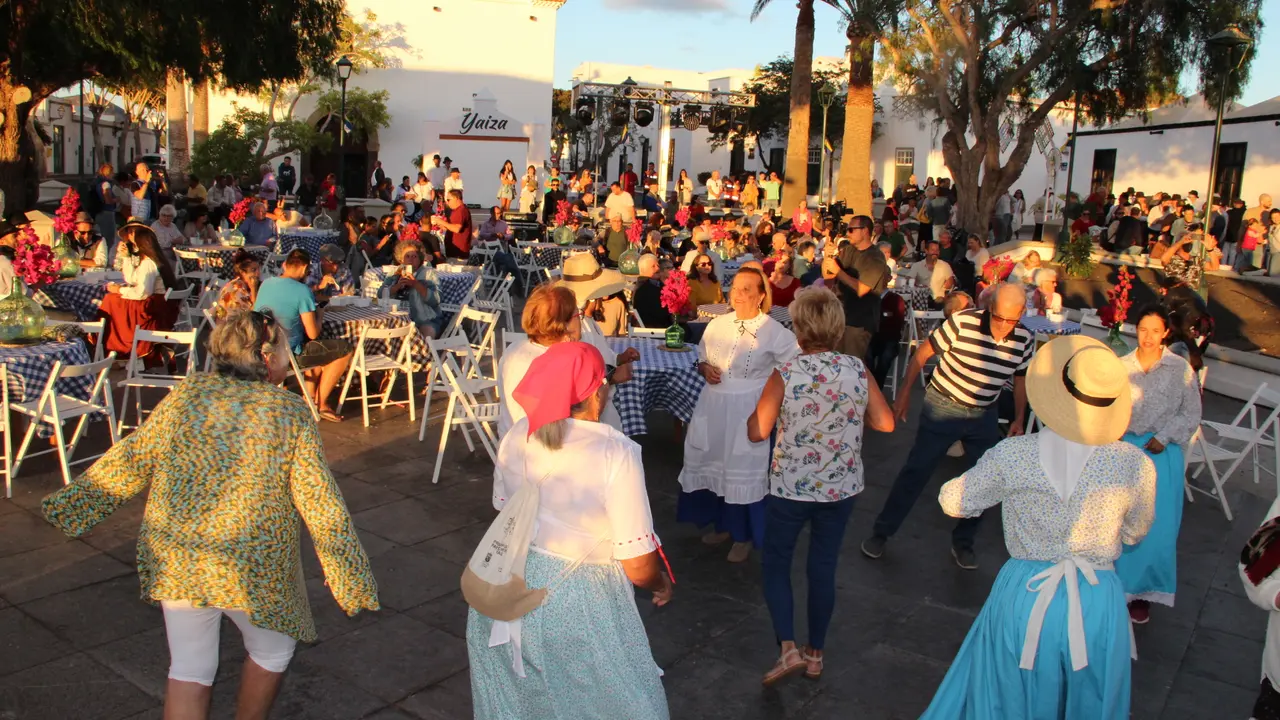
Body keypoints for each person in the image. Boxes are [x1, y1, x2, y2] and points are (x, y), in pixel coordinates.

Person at [42, 311, 379, 720]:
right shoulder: (288, 412)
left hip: (180, 554)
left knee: (190, 667)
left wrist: (72, 505)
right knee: (272, 651)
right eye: (285, 349)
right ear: (265, 357)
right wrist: (348, 574)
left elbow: (132, 458)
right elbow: (319, 500)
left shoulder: (188, 394)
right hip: (252, 565)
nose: (289, 356)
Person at [919, 335, 1156, 719]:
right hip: (1097, 598)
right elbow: (1135, 532)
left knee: (1009, 698)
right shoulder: (1135, 463)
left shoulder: (1014, 455)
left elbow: (954, 501)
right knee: (1093, 703)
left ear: (1058, 391)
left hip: (1027, 592)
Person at [470, 341, 671, 719]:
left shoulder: (518, 434)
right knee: (614, 703)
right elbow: (637, 562)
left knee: (524, 704)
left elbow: (505, 507)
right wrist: (659, 583)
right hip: (575, 601)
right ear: (597, 392)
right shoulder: (615, 450)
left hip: (505, 585)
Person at [748, 288, 894, 684]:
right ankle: (815, 654)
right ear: (837, 328)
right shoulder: (857, 369)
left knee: (777, 563)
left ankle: (787, 649)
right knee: (823, 566)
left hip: (791, 488)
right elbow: (885, 423)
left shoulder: (786, 373)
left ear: (798, 330)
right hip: (840, 487)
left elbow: (758, 431)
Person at [862, 284, 1034, 569]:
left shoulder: (1025, 338)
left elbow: (1020, 378)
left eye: (1012, 320)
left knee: (985, 480)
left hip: (984, 413)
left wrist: (1018, 417)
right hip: (944, 404)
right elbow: (922, 353)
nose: (1004, 325)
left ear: (1022, 313)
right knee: (917, 471)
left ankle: (963, 542)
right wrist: (904, 392)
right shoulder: (963, 322)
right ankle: (881, 532)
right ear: (990, 308)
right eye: (999, 317)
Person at [679, 268, 799, 563]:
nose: (740, 294)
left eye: (748, 289)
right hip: (713, 405)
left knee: (743, 469)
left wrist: (772, 397)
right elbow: (701, 356)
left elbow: (794, 366)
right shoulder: (717, 324)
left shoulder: (774, 331)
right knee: (715, 463)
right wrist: (704, 368)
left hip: (748, 408)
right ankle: (723, 525)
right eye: (736, 288)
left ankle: (743, 535)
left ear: (761, 295)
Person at [1114, 305, 1202, 625]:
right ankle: (1113, 587)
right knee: (1117, 518)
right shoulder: (1121, 366)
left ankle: (1142, 594)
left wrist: (1164, 437)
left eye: (1155, 330)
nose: (1148, 337)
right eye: (1143, 329)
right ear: (1135, 330)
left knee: (1157, 526)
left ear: (1166, 332)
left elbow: (1192, 413)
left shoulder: (1180, 368)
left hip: (1161, 452)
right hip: (1124, 449)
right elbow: (1109, 406)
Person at [253, 249, 353, 423]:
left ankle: (310, 398)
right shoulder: (302, 290)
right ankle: (322, 404)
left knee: (320, 349)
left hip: (261, 350)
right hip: (287, 356)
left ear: (285, 265)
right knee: (344, 350)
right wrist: (319, 314)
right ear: (305, 268)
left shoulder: (266, 283)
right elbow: (313, 333)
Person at [496, 285, 582, 439]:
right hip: (540, 445)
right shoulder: (556, 361)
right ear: (564, 324)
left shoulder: (515, 348)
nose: (581, 321)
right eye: (578, 315)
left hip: (511, 440)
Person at [98, 220, 183, 367]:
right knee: (112, 300)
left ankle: (116, 348)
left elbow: (142, 293)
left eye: (133, 234)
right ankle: (112, 347)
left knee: (111, 301)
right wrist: (126, 257)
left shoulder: (149, 263)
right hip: (157, 302)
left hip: (154, 307)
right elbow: (132, 279)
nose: (130, 238)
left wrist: (119, 290)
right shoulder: (150, 259)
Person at [821, 215, 888, 361]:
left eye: (851, 230)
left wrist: (839, 271)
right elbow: (828, 276)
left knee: (852, 363)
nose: (848, 233)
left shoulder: (875, 257)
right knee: (834, 362)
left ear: (865, 231)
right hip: (840, 317)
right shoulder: (848, 251)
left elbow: (862, 289)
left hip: (859, 321)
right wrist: (827, 256)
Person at [389, 239, 444, 338]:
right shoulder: (394, 273)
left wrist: (415, 284)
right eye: (407, 256)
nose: (411, 259)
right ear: (401, 259)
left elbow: (436, 300)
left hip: (425, 320)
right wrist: (397, 286)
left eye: (414, 256)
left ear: (420, 259)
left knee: (427, 334)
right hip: (398, 319)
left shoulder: (429, 274)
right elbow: (380, 294)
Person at [215, 250, 264, 321]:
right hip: (232, 325)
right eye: (253, 270)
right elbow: (254, 314)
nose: (258, 273)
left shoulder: (245, 285)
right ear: (242, 272)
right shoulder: (237, 288)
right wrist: (253, 289)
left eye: (259, 269)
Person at [908, 239, 956, 305]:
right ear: (926, 251)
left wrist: (944, 295)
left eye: (937, 250)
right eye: (932, 250)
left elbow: (950, 284)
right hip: (921, 300)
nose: (935, 252)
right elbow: (909, 281)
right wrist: (918, 286)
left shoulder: (945, 265)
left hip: (939, 301)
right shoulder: (917, 265)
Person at [430, 190, 473, 259]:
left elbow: (457, 229)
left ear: (456, 198)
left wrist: (441, 221)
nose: (447, 202)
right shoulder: (456, 210)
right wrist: (442, 226)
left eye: (448, 200)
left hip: (458, 251)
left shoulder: (461, 211)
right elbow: (452, 227)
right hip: (453, 249)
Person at [632, 254, 671, 328]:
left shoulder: (654, 284)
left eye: (658, 265)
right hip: (657, 329)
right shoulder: (644, 288)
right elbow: (662, 313)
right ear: (643, 269)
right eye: (653, 266)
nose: (658, 268)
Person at [93, 162, 119, 240]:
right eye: (112, 172)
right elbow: (108, 200)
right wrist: (116, 199)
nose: (113, 174)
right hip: (107, 212)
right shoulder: (106, 184)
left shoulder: (98, 183)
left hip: (99, 212)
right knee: (109, 237)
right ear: (108, 173)